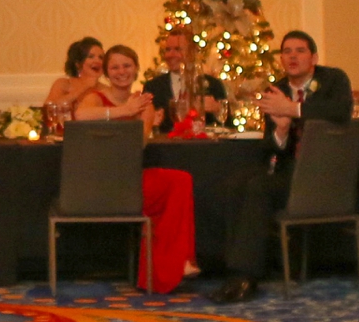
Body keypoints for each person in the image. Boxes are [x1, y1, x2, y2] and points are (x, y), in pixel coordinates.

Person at [215, 30, 354, 303]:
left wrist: (294, 110)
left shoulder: (333, 80)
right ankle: (236, 270)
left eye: (300, 50)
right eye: (286, 51)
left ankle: (246, 276)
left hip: (327, 174)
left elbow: (341, 112)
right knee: (234, 185)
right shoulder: (275, 90)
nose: (292, 56)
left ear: (313, 57)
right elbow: (273, 148)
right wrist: (281, 131)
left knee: (259, 187)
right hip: (291, 173)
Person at [73, 44, 199, 295]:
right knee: (172, 185)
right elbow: (80, 116)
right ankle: (174, 263)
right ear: (107, 73)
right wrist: (123, 111)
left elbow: (137, 144)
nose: (122, 71)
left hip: (127, 178)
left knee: (180, 181)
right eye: (115, 67)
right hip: (95, 182)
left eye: (127, 65)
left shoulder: (144, 103)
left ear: (136, 68)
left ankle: (175, 264)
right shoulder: (95, 97)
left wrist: (134, 110)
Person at [146, 29, 227, 135]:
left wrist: (217, 109)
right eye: (168, 49)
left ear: (192, 52)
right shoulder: (153, 87)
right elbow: (146, 131)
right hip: (168, 149)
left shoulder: (213, 84)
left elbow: (228, 128)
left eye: (177, 49)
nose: (170, 55)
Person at [44, 37, 105, 115]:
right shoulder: (64, 84)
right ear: (78, 63)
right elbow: (48, 110)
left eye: (101, 57)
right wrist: (84, 86)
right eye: (91, 57)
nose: (97, 61)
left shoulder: (106, 90)